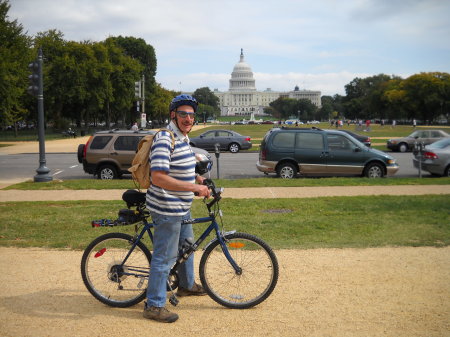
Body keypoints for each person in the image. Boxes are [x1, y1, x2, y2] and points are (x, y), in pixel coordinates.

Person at [143, 94, 210, 323]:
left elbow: (178, 167)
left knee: (187, 247)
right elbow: (159, 177)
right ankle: (154, 305)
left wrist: (197, 179)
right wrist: (192, 186)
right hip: (166, 207)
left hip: (182, 206)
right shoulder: (165, 137)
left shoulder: (182, 137)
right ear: (173, 115)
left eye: (191, 115)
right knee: (164, 257)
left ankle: (186, 284)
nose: (188, 118)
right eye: (183, 114)